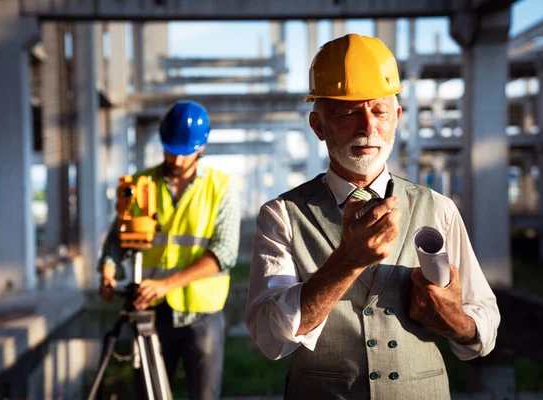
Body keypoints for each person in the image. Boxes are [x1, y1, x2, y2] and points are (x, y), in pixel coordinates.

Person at [245, 34, 500, 399]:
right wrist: (346, 262)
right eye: (348, 113)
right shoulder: (282, 216)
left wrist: (456, 322)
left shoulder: (438, 208)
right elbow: (270, 336)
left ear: (395, 118)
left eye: (378, 111)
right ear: (318, 126)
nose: (368, 126)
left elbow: (484, 322)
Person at [98, 100, 241, 400]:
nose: (175, 159)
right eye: (170, 149)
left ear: (201, 147)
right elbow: (117, 239)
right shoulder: (140, 184)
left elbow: (224, 253)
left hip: (202, 314)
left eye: (183, 152)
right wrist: (108, 271)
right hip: (150, 313)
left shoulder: (221, 187)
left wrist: (165, 285)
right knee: (147, 393)